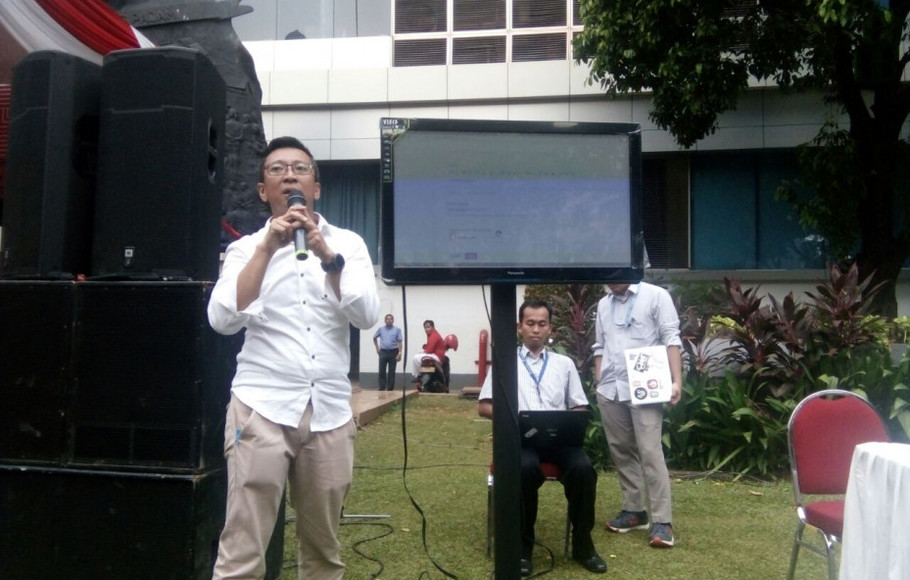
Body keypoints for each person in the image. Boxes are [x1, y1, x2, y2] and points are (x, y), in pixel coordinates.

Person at [207, 136, 380, 579]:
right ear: (263, 190)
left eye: (300, 169)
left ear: (315, 187)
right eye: (277, 169)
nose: (289, 176)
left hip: (329, 413)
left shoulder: (348, 245)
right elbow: (222, 319)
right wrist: (268, 248)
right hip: (261, 408)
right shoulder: (246, 249)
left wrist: (328, 257)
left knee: (323, 550)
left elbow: (365, 315)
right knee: (243, 549)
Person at [478, 300, 608, 576]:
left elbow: (579, 406)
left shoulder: (564, 364)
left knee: (583, 469)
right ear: (519, 327)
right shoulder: (505, 362)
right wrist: (512, 417)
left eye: (542, 324)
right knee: (523, 468)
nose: (536, 329)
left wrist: (572, 421)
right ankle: (522, 548)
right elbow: (484, 406)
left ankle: (583, 545)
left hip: (560, 441)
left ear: (550, 328)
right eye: (530, 323)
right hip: (522, 440)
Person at [592, 281, 682, 549]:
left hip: (645, 387)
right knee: (620, 450)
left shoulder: (656, 296)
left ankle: (662, 521)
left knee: (650, 452)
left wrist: (676, 381)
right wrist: (599, 381)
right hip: (610, 388)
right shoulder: (604, 304)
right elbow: (600, 346)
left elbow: (671, 338)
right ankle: (634, 510)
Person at [373, 314, 403, 391]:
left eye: (390, 319)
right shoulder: (381, 329)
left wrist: (400, 353)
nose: (389, 320)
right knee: (381, 370)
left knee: (392, 371)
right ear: (385, 320)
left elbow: (400, 342)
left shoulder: (397, 330)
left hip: (393, 352)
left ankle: (390, 388)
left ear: (393, 320)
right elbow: (374, 337)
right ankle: (382, 387)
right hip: (383, 352)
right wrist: (377, 348)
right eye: (387, 319)